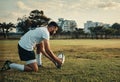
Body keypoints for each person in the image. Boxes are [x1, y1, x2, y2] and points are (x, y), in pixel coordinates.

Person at [1, 21, 65, 72]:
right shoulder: (46, 32)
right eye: (55, 30)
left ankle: (39, 64)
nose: (55, 32)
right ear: (52, 28)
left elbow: (41, 49)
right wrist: (57, 60)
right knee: (34, 69)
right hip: (25, 48)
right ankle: (10, 65)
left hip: (22, 45)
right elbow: (48, 50)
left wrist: (53, 61)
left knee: (39, 49)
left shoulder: (42, 29)